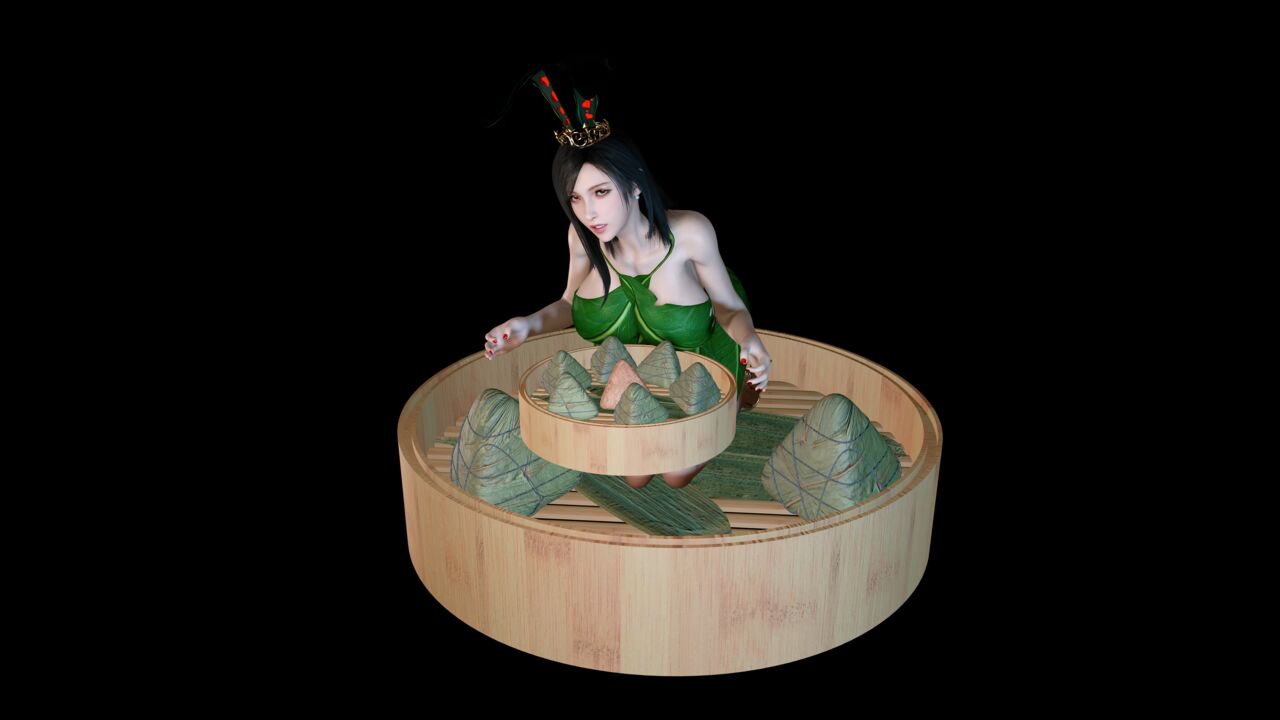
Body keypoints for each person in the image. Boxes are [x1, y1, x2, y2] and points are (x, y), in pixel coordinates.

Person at [482, 70, 773, 491]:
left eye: (600, 192)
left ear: (634, 184)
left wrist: (750, 340)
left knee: (673, 475)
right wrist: (527, 325)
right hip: (632, 379)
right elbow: (567, 304)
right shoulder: (581, 238)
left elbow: (728, 306)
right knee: (636, 476)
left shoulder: (690, 233)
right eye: (576, 198)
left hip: (702, 374)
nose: (589, 214)